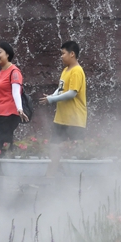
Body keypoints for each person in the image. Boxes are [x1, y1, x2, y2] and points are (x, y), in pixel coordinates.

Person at [39, 41, 87, 177]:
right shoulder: (66, 70)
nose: (61, 56)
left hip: (74, 120)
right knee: (54, 149)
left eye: (63, 53)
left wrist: (52, 99)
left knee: (74, 153)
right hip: (61, 118)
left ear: (72, 54)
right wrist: (51, 96)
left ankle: (73, 182)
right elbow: (61, 89)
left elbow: (72, 93)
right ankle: (50, 178)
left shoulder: (77, 71)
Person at [0, 41, 28, 175]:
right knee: (4, 143)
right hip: (1, 114)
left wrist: (20, 109)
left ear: (8, 54)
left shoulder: (14, 71)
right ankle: (8, 174)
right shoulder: (1, 72)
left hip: (10, 114)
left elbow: (16, 92)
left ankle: (5, 174)